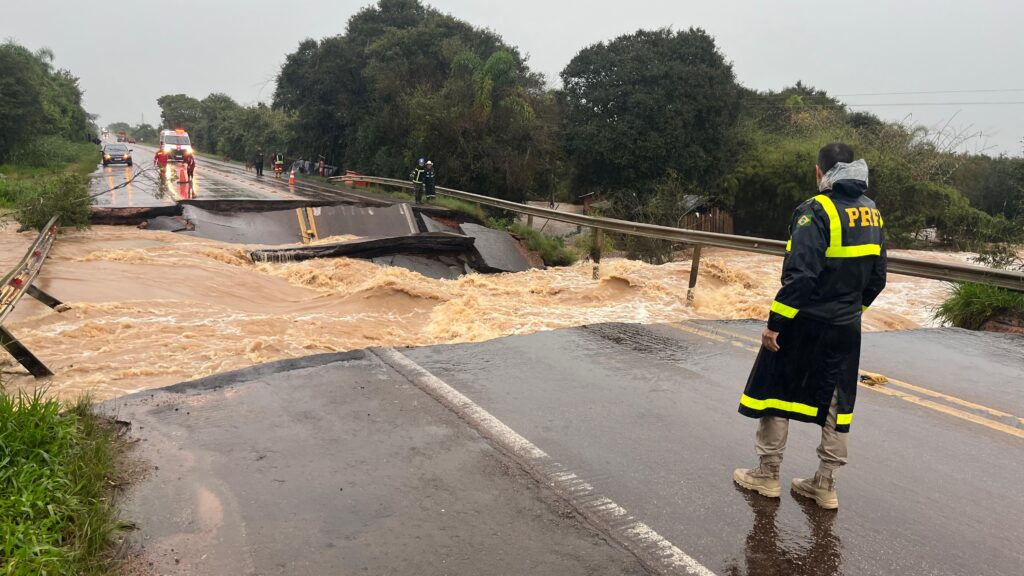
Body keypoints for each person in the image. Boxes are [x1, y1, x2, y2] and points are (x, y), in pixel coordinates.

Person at [733, 142, 887, 510]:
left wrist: (775, 325)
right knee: (837, 401)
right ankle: (825, 484)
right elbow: (877, 278)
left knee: (776, 390)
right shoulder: (872, 213)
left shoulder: (814, 211)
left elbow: (800, 277)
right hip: (845, 325)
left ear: (820, 172)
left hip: (804, 321)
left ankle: (768, 475)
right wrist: (852, 310)